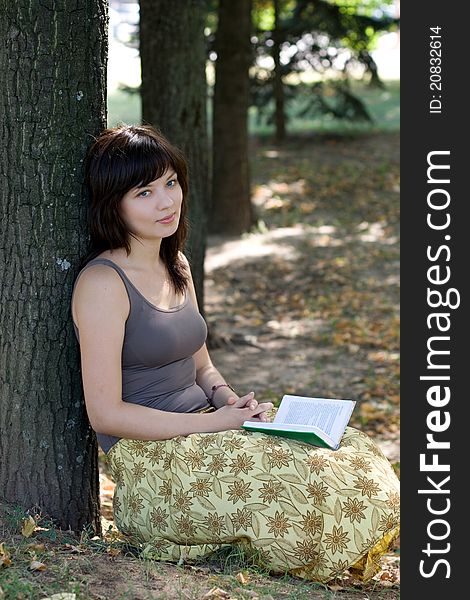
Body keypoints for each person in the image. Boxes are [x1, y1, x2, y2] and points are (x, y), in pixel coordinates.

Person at [71, 124, 399, 583]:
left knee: (348, 452)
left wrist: (228, 400)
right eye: (144, 193)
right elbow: (105, 414)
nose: (167, 202)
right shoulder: (103, 284)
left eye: (170, 183)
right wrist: (212, 422)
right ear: (113, 204)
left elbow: (201, 364)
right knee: (304, 484)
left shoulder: (176, 262)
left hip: (207, 430)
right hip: (155, 464)